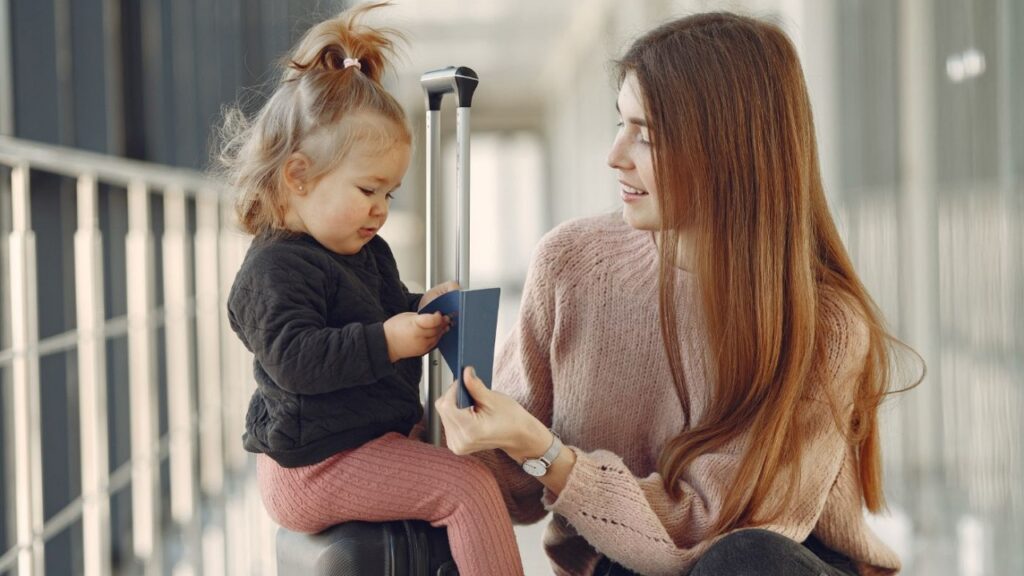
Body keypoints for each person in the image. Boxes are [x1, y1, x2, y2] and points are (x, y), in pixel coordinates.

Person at [435, 11, 919, 576]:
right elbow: (509, 484)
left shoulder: (825, 327)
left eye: (647, 135)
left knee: (740, 561)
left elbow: (714, 533)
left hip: (769, 561)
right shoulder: (570, 266)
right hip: (623, 564)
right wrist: (429, 387)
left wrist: (550, 455)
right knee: (619, 565)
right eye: (621, 124)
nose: (615, 156)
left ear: (728, 151)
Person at [218, 4, 524, 575]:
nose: (382, 209)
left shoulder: (363, 249)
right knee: (468, 488)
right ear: (299, 176)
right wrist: (388, 340)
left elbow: (379, 314)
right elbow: (297, 359)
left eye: (391, 192)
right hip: (313, 466)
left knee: (478, 454)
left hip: (358, 437)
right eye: (368, 189)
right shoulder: (274, 270)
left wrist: (422, 312)